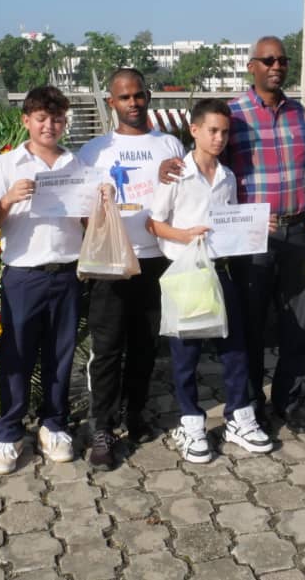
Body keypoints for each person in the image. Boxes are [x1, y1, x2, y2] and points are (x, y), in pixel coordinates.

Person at [0, 86, 111, 475]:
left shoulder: (77, 166)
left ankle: (54, 424)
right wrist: (7, 200)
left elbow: (89, 224)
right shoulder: (7, 165)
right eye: (41, 118)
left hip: (68, 272)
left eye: (56, 119)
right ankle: (8, 432)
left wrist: (100, 205)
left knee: (61, 354)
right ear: (26, 121)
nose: (49, 126)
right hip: (23, 273)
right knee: (16, 355)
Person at [148, 98, 274, 462]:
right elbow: (153, 223)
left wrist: (252, 226)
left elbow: (229, 221)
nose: (219, 138)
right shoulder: (176, 173)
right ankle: (190, 421)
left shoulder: (227, 176)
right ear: (195, 131)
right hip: (185, 271)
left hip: (219, 271)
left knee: (233, 347)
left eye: (224, 132)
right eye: (212, 131)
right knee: (185, 353)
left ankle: (238, 415)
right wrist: (184, 235)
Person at [77, 68, 186, 469]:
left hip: (157, 256)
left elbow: (182, 195)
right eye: (124, 98)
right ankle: (102, 426)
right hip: (112, 263)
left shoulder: (169, 143)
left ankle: (136, 412)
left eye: (139, 95)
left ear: (149, 96)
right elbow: (81, 210)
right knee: (107, 350)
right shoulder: (94, 151)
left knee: (145, 344)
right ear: (111, 102)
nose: (133, 103)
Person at [223, 36, 305, 433]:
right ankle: (250, 401)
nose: (276, 66)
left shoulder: (299, 114)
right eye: (268, 60)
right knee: (250, 322)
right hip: (252, 236)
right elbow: (213, 171)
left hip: (297, 229)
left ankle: (289, 398)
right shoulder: (234, 115)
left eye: (282, 60)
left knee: (298, 321)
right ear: (252, 67)